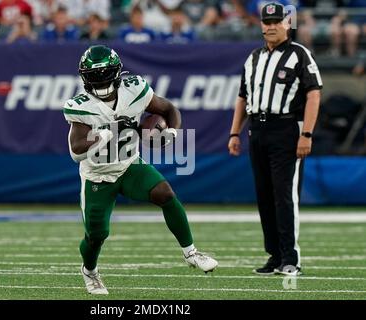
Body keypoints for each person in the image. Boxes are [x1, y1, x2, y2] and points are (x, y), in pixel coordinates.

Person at [63, 45, 218, 294]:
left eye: (104, 74)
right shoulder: (81, 106)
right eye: (94, 76)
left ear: (117, 73)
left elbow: (169, 110)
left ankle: (191, 252)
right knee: (96, 235)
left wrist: (171, 131)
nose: (100, 81)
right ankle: (89, 271)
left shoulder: (134, 89)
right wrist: (104, 133)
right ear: (84, 78)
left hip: (129, 164)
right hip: (98, 176)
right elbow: (76, 151)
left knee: (165, 193)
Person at [228, 2, 322, 276]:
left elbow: (314, 94)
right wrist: (234, 132)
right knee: (264, 195)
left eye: (276, 22)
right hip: (257, 129)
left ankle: (291, 258)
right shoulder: (254, 57)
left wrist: (306, 133)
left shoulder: (300, 55)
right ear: (261, 25)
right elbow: (243, 97)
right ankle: (275, 255)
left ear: (287, 24)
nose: (270, 27)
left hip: (286, 129)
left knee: (284, 195)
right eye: (266, 22)